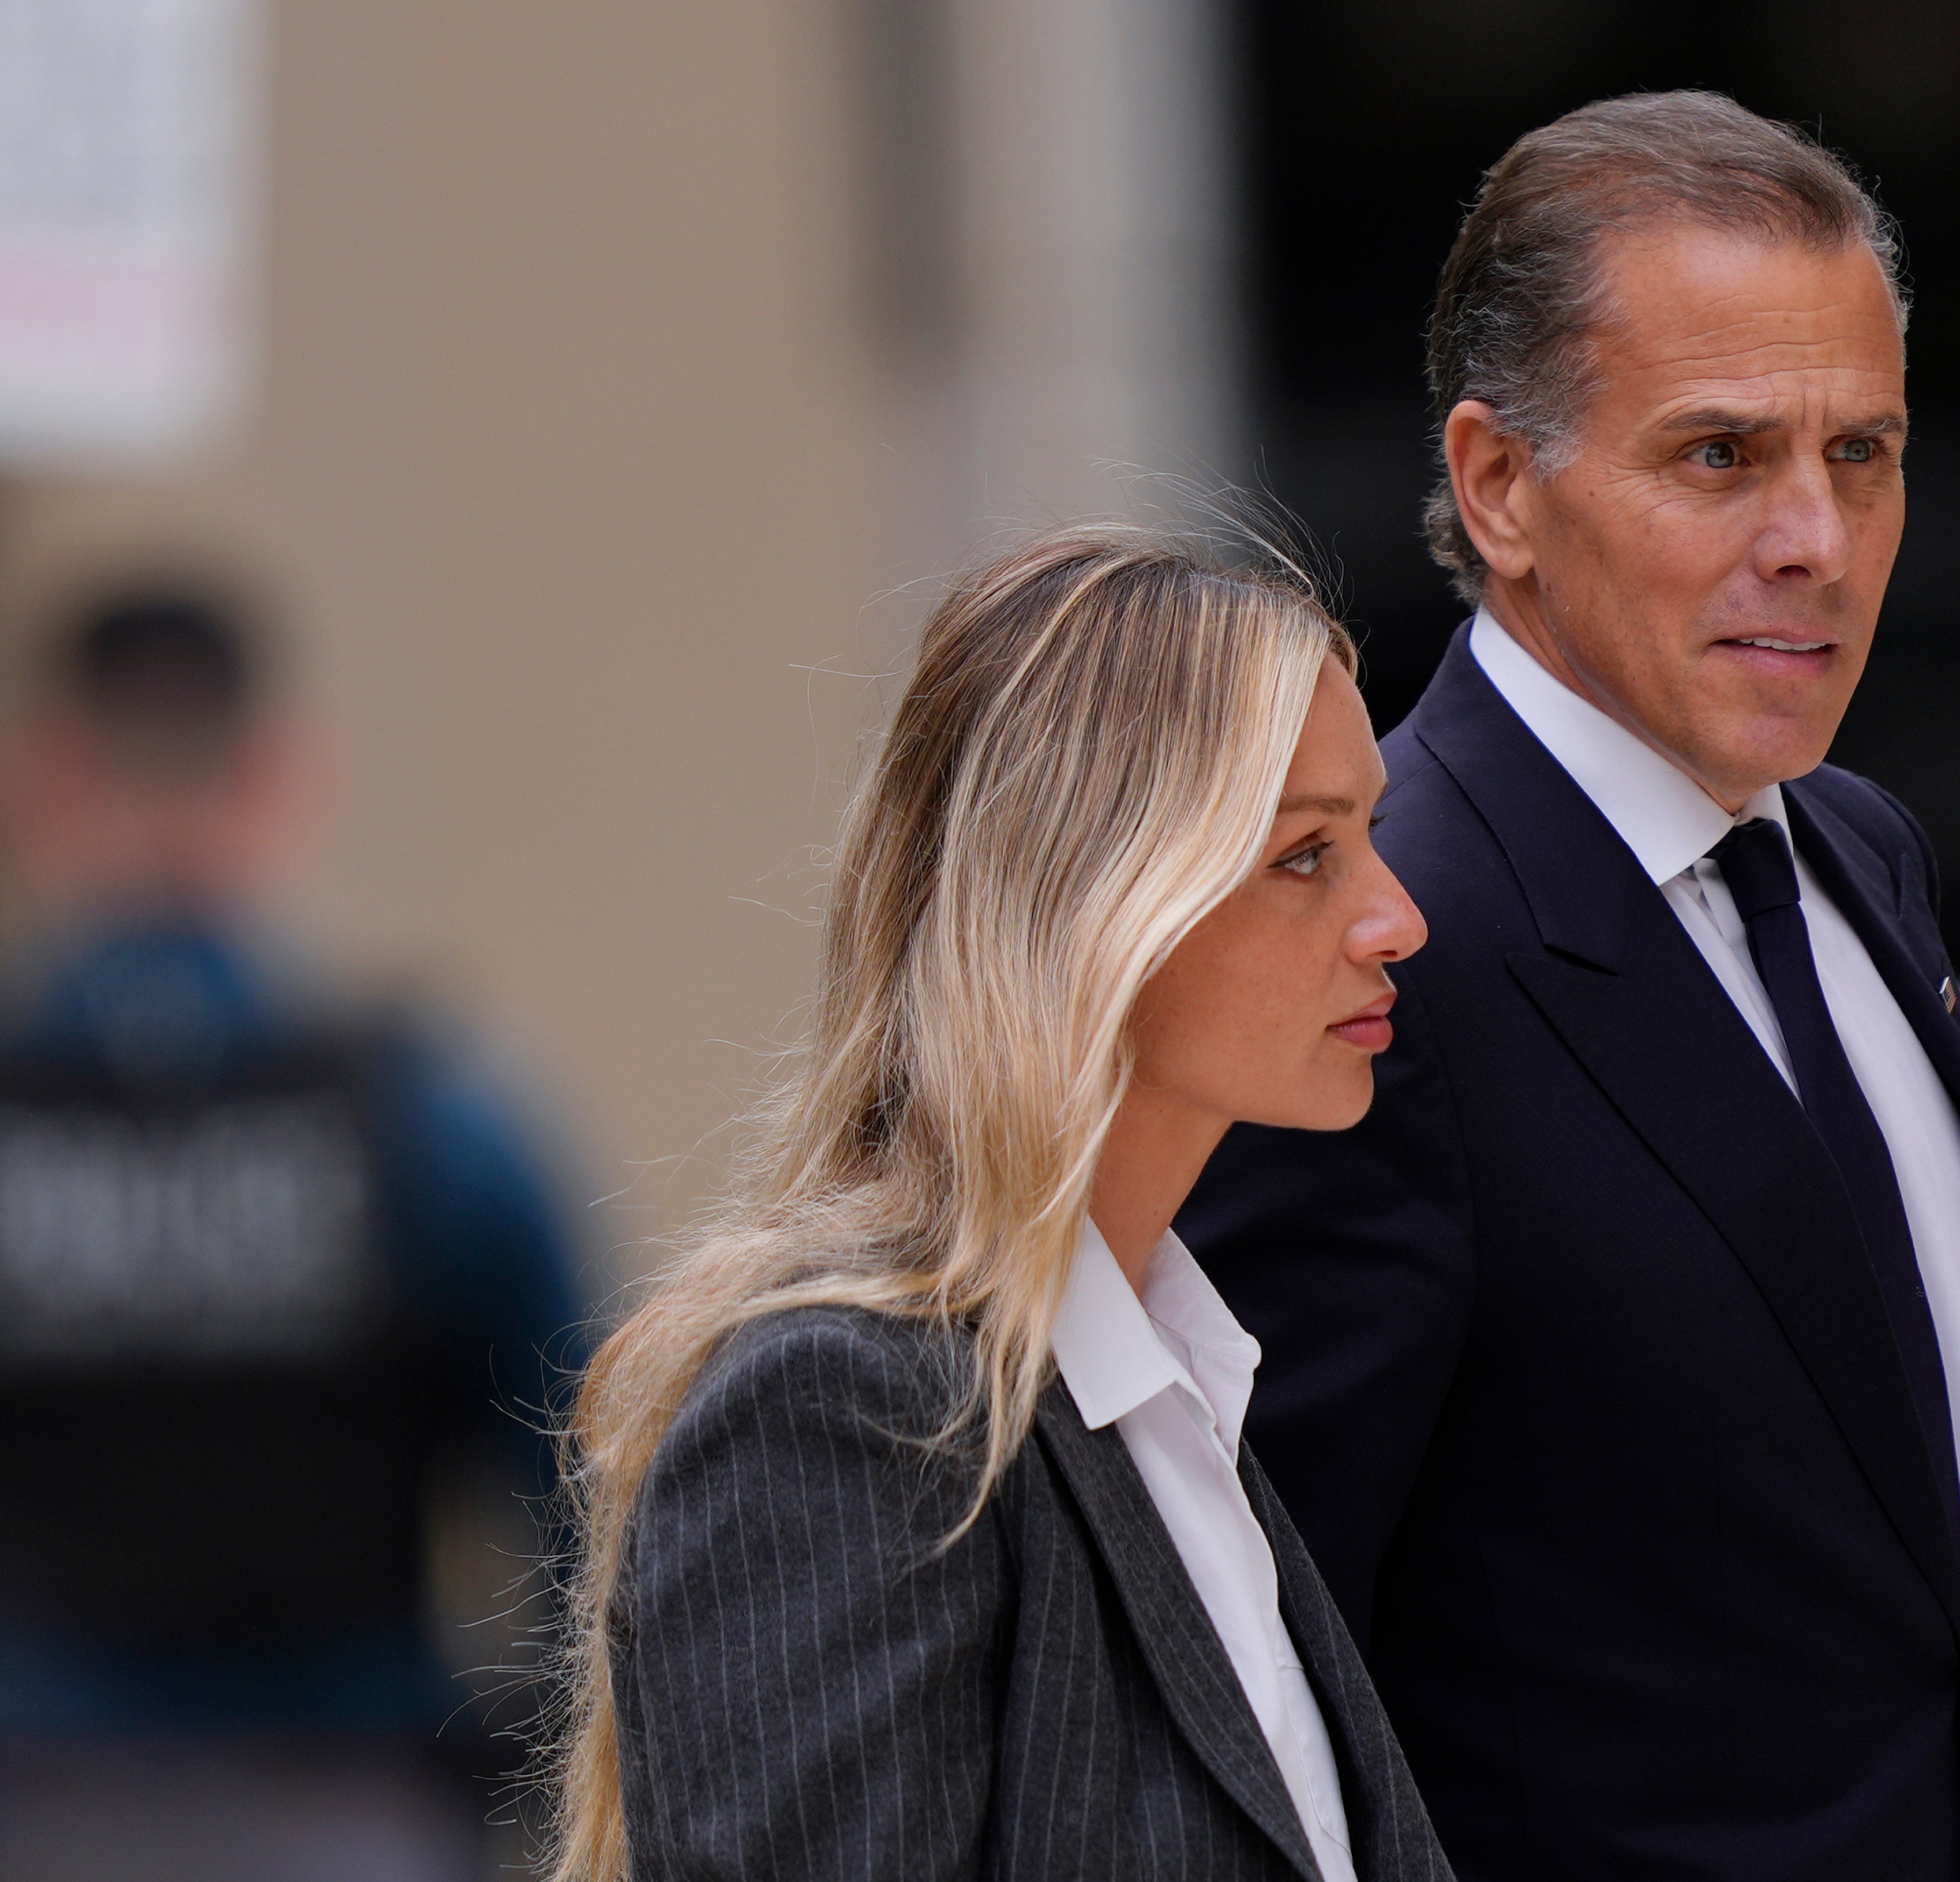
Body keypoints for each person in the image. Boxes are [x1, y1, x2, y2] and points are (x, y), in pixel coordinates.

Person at [1180, 94, 1960, 1882]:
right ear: (1501, 485)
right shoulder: (1372, 938)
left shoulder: (1859, 850)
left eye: (1865, 452)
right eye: (1723, 456)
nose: (1816, 535)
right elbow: (1245, 1681)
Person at [551, 527, 1450, 1882]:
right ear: (1096, 900)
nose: (1397, 916)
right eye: (1305, 855)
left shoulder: (1178, 1385)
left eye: (1369, 833)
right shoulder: (849, 1408)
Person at [0, 588, 583, 1880]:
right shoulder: (428, 1120)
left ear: (43, 778)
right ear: (278, 774)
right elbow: (589, 1489)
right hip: (350, 1810)